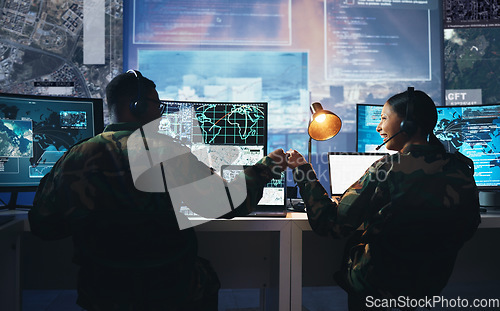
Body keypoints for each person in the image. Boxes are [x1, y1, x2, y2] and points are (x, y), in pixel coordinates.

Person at [29, 70, 288, 311]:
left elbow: (43, 225)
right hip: (171, 292)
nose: (161, 114)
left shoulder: (76, 156)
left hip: (102, 293)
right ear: (137, 106)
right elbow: (232, 203)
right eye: (157, 106)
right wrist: (265, 168)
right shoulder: (169, 152)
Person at [287, 88, 481, 310]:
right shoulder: (462, 169)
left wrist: (303, 171)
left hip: (376, 285)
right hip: (430, 283)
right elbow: (470, 225)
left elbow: (332, 225)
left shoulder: (387, 168)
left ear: (406, 124)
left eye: (384, 118)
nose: (379, 127)